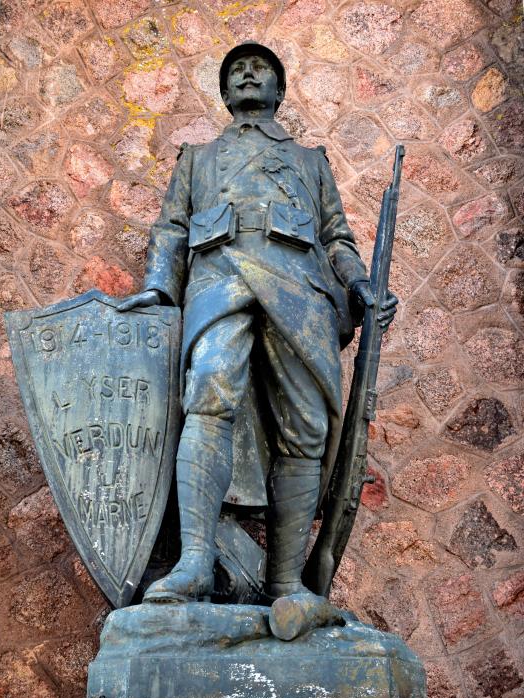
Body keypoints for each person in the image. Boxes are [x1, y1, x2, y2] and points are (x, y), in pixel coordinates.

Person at [118, 41, 397, 603]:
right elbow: (171, 230)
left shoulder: (311, 160)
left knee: (307, 425)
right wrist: (157, 287)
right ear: (224, 93)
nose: (248, 75)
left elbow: (336, 237)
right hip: (219, 281)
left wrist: (361, 285)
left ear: (279, 91)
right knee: (209, 392)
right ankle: (196, 563)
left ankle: (286, 583)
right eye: (238, 71)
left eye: (260, 70)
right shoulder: (196, 159)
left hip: (299, 289)